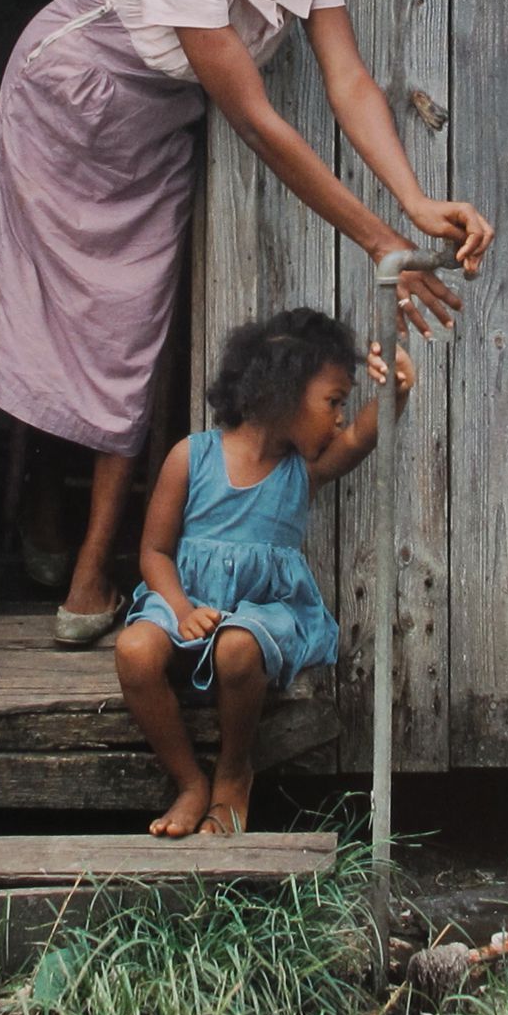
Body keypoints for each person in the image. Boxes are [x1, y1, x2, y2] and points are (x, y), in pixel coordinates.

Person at [0, 0, 493, 646]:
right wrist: (385, 245)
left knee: (132, 328)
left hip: (149, 119)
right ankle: (70, 560)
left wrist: (414, 202)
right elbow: (258, 123)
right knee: (75, 325)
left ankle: (82, 564)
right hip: (65, 103)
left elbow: (345, 77)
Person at [115, 307, 412, 837]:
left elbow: (362, 436)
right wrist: (180, 611)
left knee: (236, 646)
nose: (341, 417)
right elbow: (155, 553)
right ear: (280, 391)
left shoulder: (305, 470)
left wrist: (397, 387)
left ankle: (232, 774)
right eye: (333, 402)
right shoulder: (192, 457)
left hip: (260, 614)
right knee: (134, 651)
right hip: (186, 603)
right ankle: (189, 781)